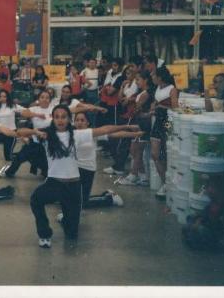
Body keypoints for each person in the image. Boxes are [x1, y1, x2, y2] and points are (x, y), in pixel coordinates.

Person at [18, 105, 141, 248]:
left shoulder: (77, 135)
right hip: (54, 183)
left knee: (72, 235)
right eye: (57, 117)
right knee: (35, 199)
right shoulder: (47, 135)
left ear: (69, 119)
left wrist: (128, 126)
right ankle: (45, 234)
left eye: (64, 117)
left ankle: (66, 219)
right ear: (53, 119)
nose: (60, 120)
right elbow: (20, 132)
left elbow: (105, 130)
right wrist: (35, 131)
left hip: (73, 187)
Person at [65, 111, 142, 215]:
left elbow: (114, 135)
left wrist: (134, 134)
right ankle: (106, 195)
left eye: (82, 120)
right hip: (74, 170)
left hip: (87, 170)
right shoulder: (72, 134)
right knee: (74, 198)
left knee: (81, 202)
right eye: (77, 120)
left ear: (88, 122)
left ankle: (110, 199)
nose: (79, 122)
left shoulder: (93, 133)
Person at [2, 90, 53, 178]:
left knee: (46, 168)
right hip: (36, 138)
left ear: (50, 99)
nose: (45, 99)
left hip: (50, 139)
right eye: (42, 97)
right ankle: (9, 172)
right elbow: (23, 113)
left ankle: (46, 171)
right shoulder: (34, 109)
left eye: (47, 98)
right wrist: (37, 115)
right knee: (20, 156)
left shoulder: (54, 108)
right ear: (38, 99)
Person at [118, 70, 155, 186]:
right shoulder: (141, 93)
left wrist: (136, 108)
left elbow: (137, 109)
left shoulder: (146, 94)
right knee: (134, 150)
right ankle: (143, 176)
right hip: (138, 122)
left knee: (137, 150)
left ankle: (133, 175)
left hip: (143, 124)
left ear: (146, 81)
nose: (137, 82)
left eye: (138, 80)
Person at [150, 66, 179, 198]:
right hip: (157, 122)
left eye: (154, 75)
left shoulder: (172, 89)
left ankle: (167, 184)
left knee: (165, 154)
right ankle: (164, 182)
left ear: (160, 77)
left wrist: (160, 106)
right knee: (155, 154)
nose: (152, 77)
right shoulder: (158, 88)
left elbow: (175, 107)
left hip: (167, 122)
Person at [0, 90, 24, 165]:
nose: (2, 98)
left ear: (7, 97)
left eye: (4, 96)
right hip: (0, 132)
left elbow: (24, 110)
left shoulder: (12, 106)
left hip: (11, 133)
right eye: (1, 96)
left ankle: (20, 156)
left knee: (8, 157)